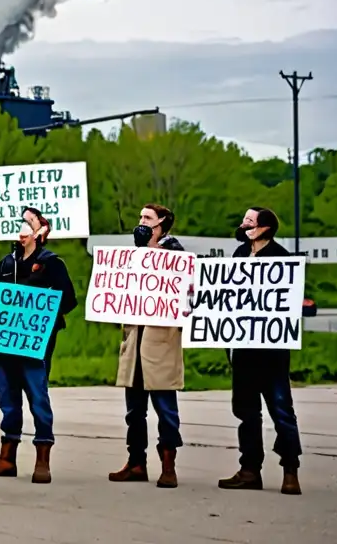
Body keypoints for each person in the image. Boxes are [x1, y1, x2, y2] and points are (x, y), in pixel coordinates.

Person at [0, 207, 77, 484]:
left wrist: (41, 315)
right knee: (8, 398)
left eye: (28, 223)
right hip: (5, 343)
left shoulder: (51, 263)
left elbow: (68, 300)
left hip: (35, 344)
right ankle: (7, 457)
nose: (21, 229)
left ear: (39, 231)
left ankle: (42, 457)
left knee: (38, 396)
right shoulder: (6, 263)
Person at [218, 207, 303, 495]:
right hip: (243, 351)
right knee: (246, 412)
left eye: (249, 222)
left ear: (265, 228)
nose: (243, 225)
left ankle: (290, 470)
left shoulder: (281, 258)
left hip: (272, 352)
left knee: (281, 411)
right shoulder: (239, 255)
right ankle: (249, 470)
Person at [109, 203, 185, 489]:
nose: (140, 222)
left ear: (162, 223)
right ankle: (136, 462)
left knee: (166, 408)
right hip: (136, 341)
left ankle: (168, 465)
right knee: (134, 411)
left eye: (147, 218)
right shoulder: (132, 256)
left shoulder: (175, 255)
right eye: (139, 216)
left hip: (160, 344)